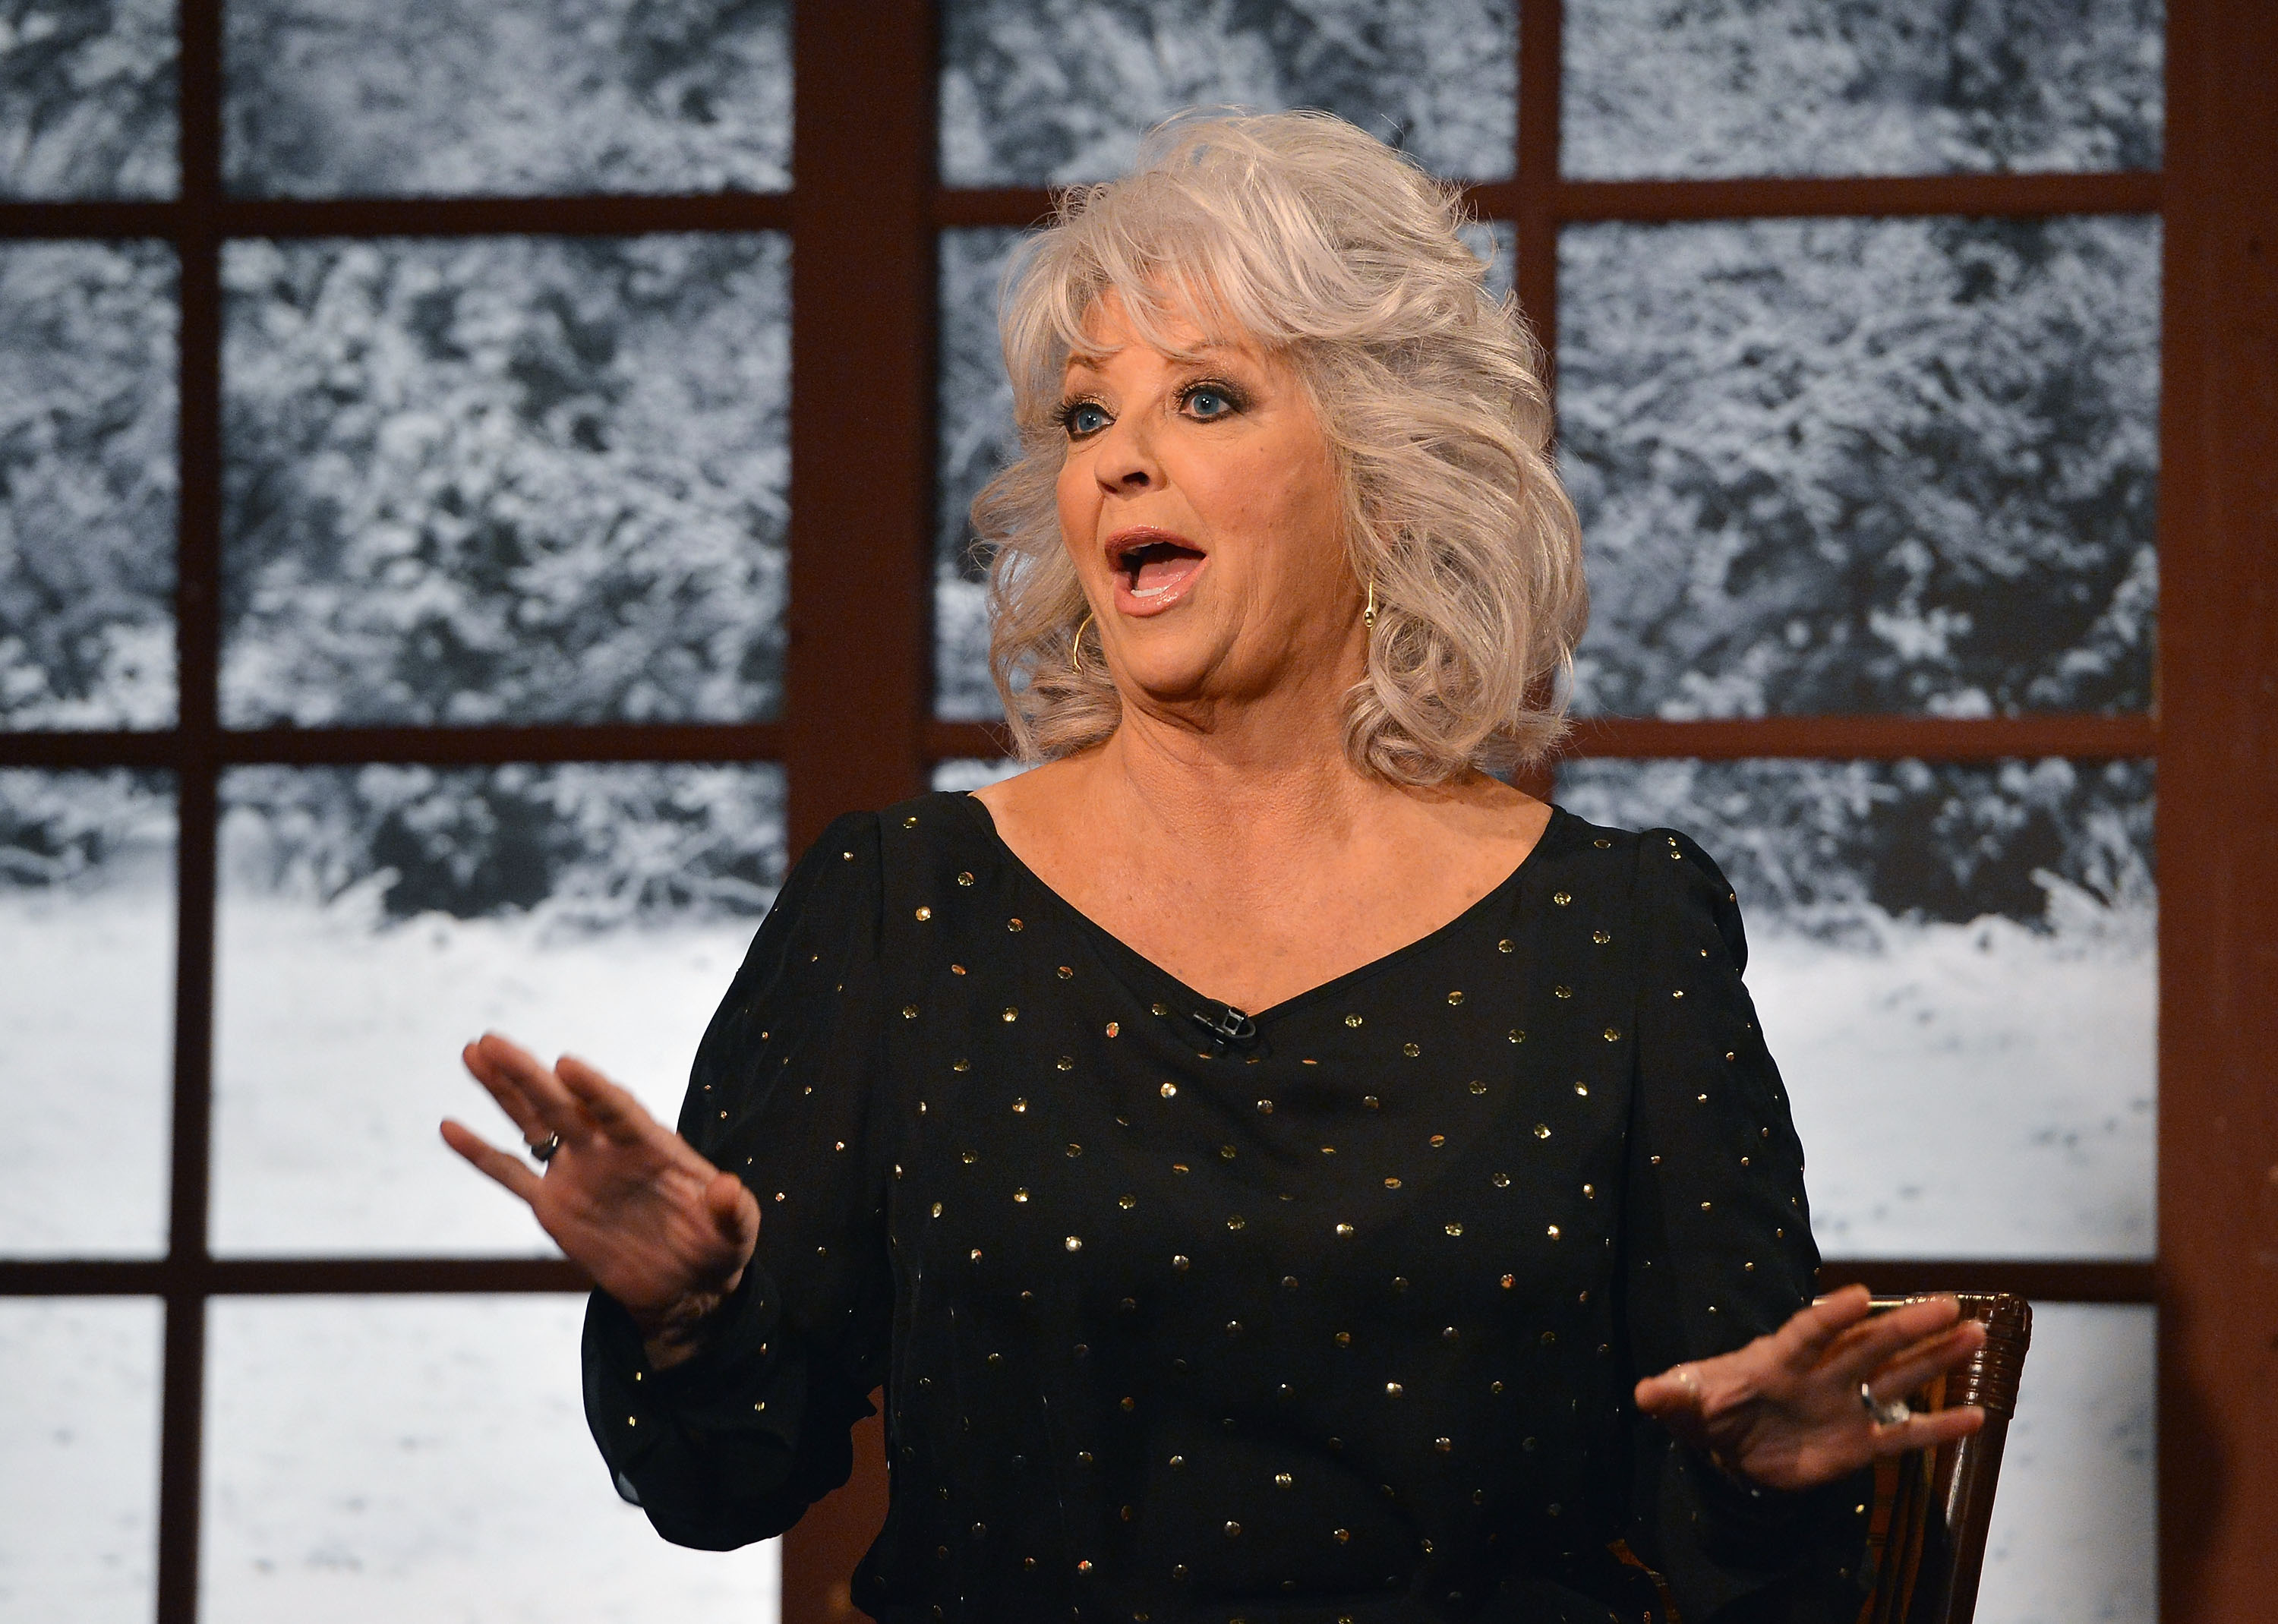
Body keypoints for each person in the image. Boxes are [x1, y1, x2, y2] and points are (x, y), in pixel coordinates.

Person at [443, 110, 1987, 1622]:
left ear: (1380, 476)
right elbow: (722, 1487)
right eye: (1086, 414)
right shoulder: (899, 904)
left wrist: (1768, 1479)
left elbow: (1753, 1561)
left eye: (1205, 400)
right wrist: (694, 1313)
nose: (1118, 461)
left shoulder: (1623, 928)